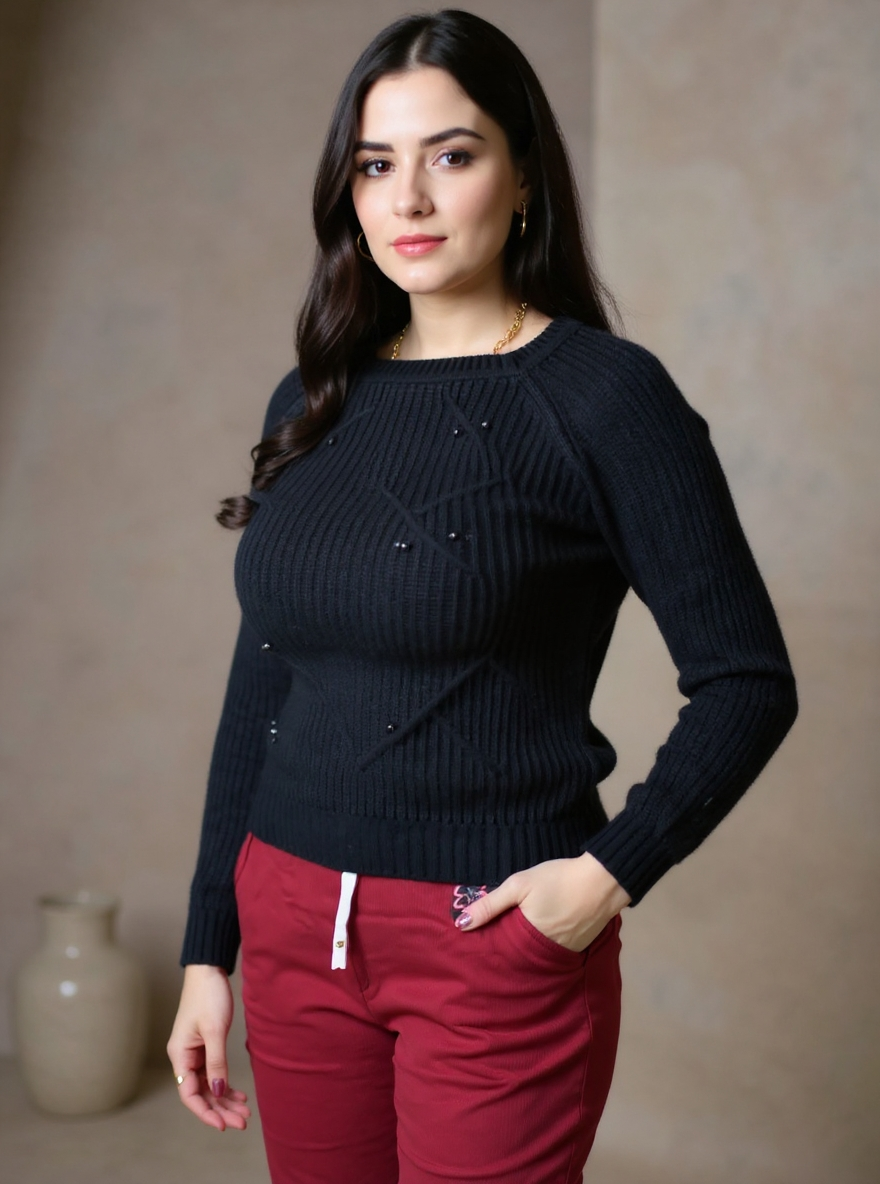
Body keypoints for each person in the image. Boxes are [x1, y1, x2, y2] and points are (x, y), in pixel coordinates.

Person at [166, 9, 798, 1183]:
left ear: (522, 178)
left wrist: (602, 876)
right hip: (292, 925)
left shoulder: (604, 398)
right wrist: (212, 944)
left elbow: (746, 682)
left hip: (489, 934)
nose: (407, 198)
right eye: (375, 164)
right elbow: (265, 679)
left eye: (450, 156)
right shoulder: (310, 398)